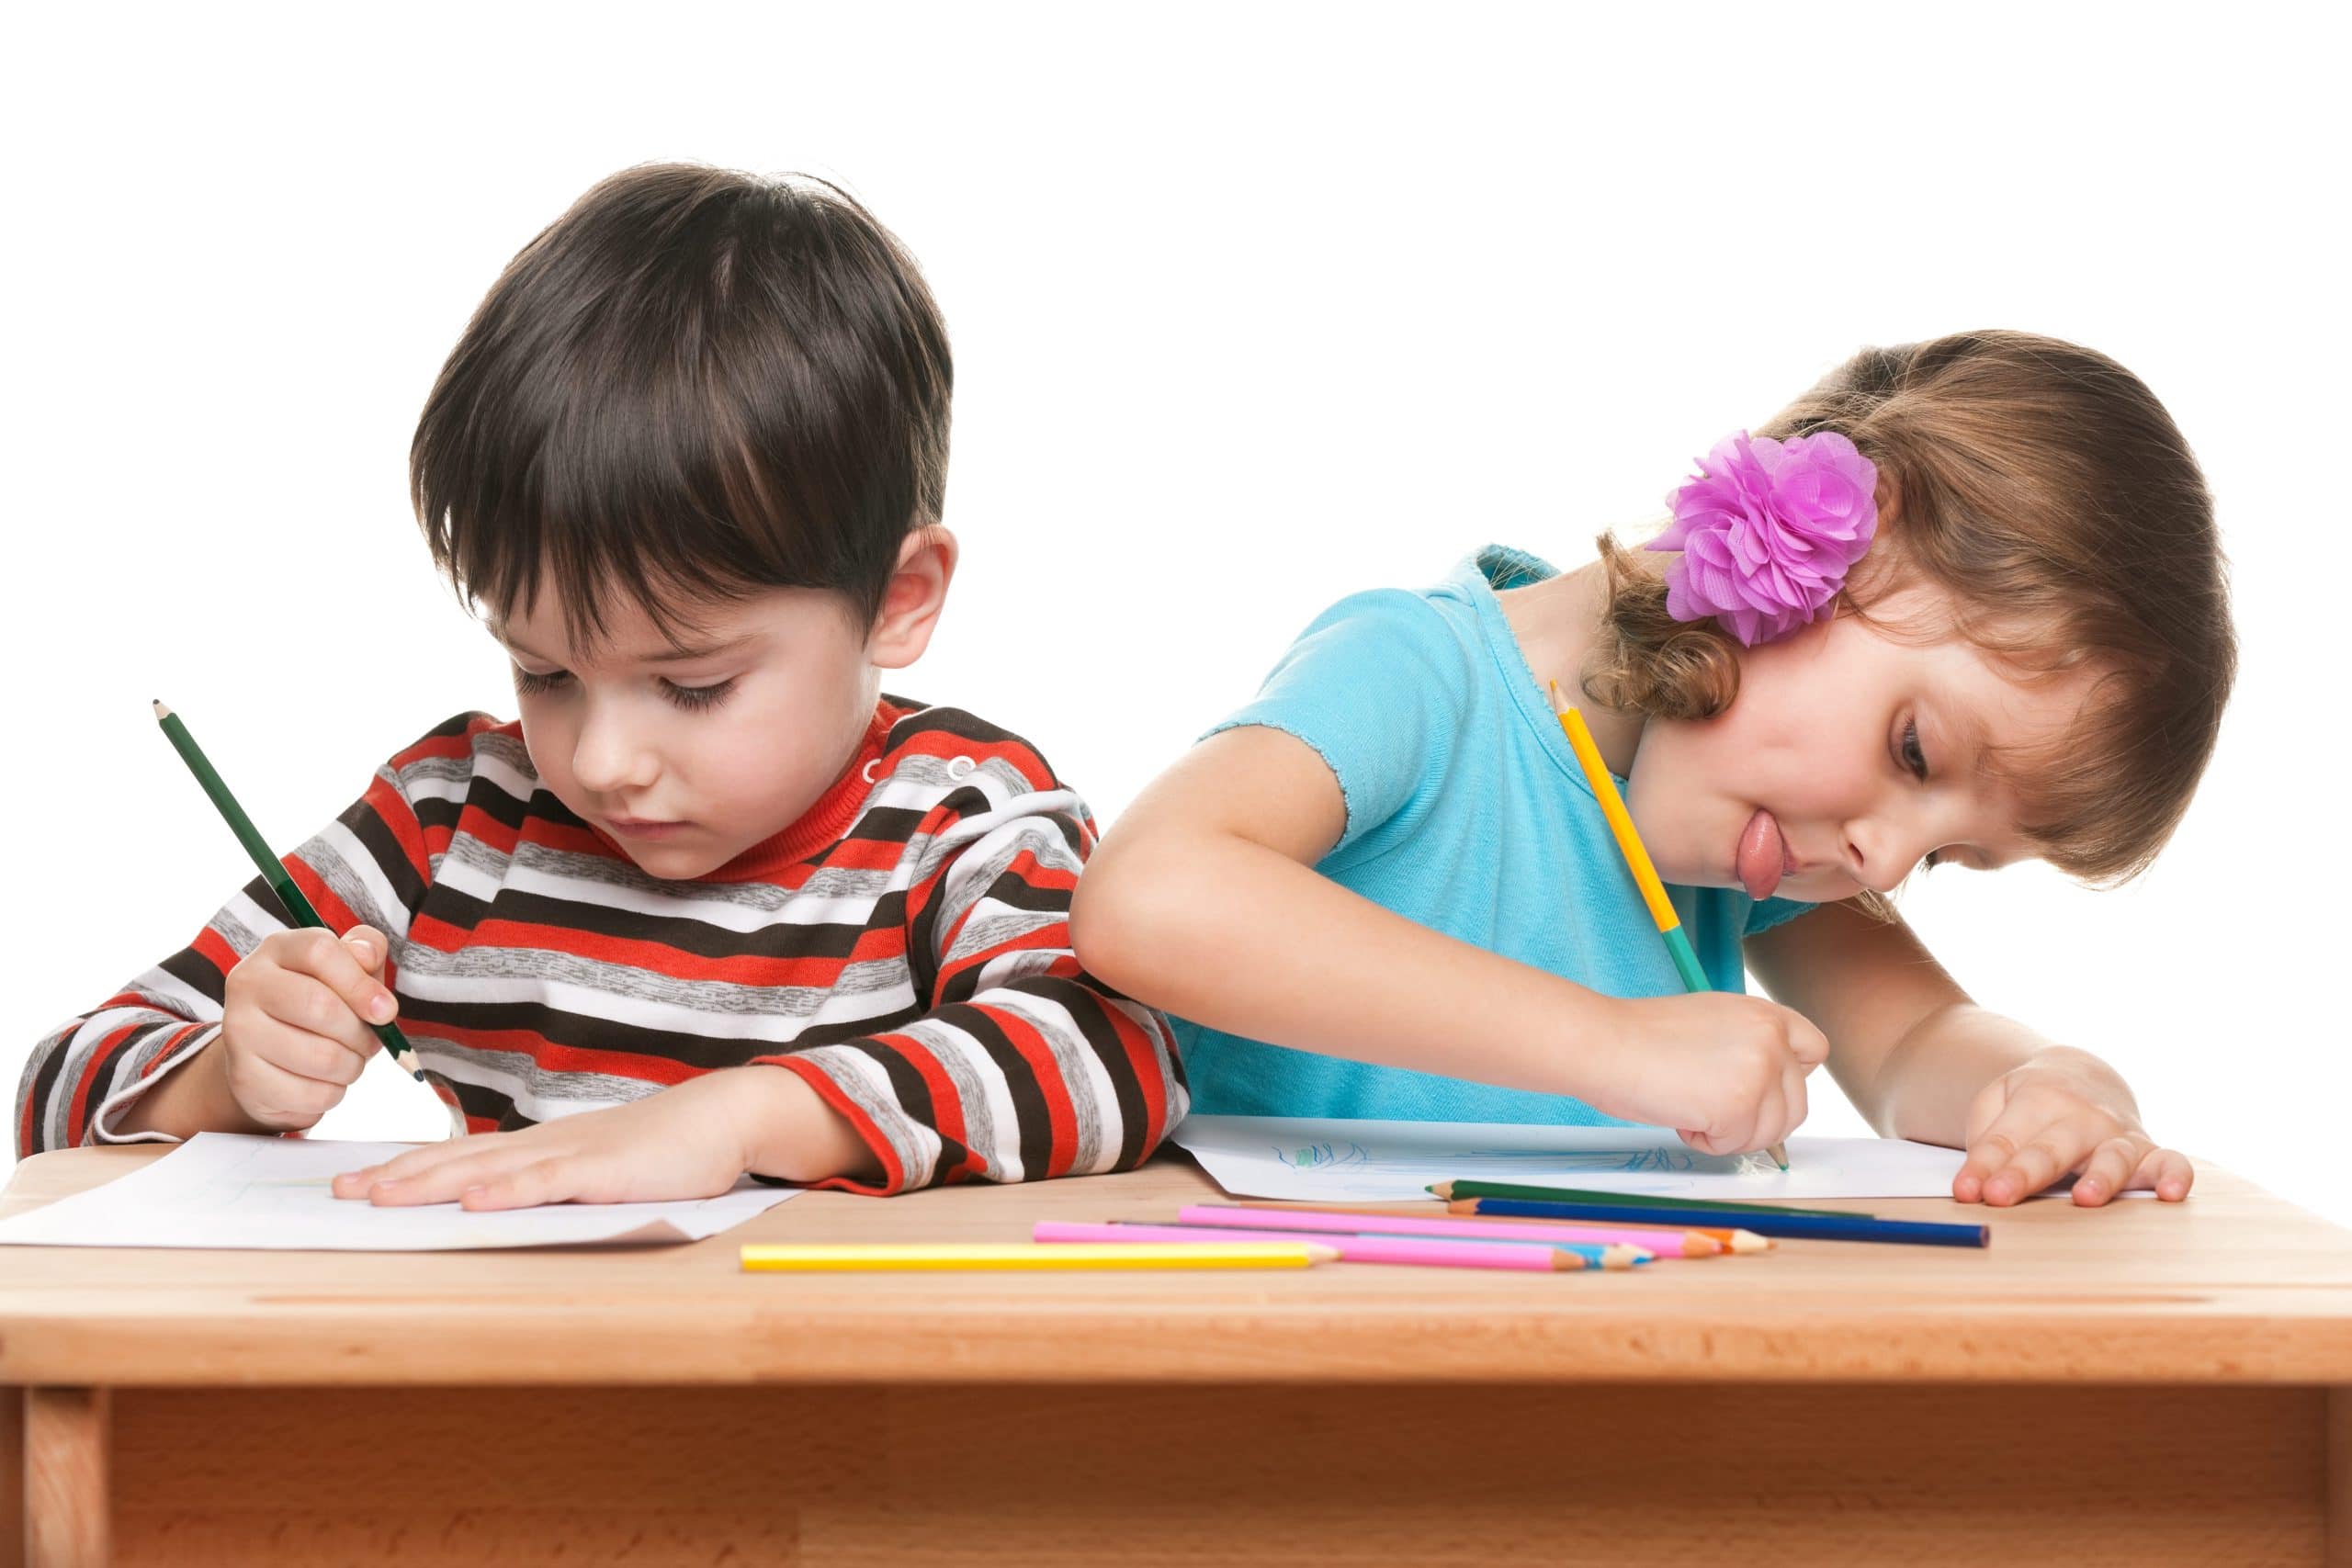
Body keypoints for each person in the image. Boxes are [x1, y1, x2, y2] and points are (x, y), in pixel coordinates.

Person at [18, 164, 1186, 1203]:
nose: (598, 762)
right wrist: (225, 1073)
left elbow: (1113, 1058)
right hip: (525, 1409)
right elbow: (56, 1092)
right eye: (544, 670)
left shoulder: (955, 818)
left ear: (898, 599)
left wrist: (737, 1120)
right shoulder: (445, 824)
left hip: (847, 1424)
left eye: (690, 685)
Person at [1071, 331, 2232, 1206]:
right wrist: (1610, 1046)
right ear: (1809, 540)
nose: (1884, 852)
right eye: (1914, 751)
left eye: (1945, 856)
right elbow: (1148, 898)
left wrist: (2049, 1084)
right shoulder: (1425, 677)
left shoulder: (1760, 852)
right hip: (1286, 1366)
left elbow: (1918, 1042)